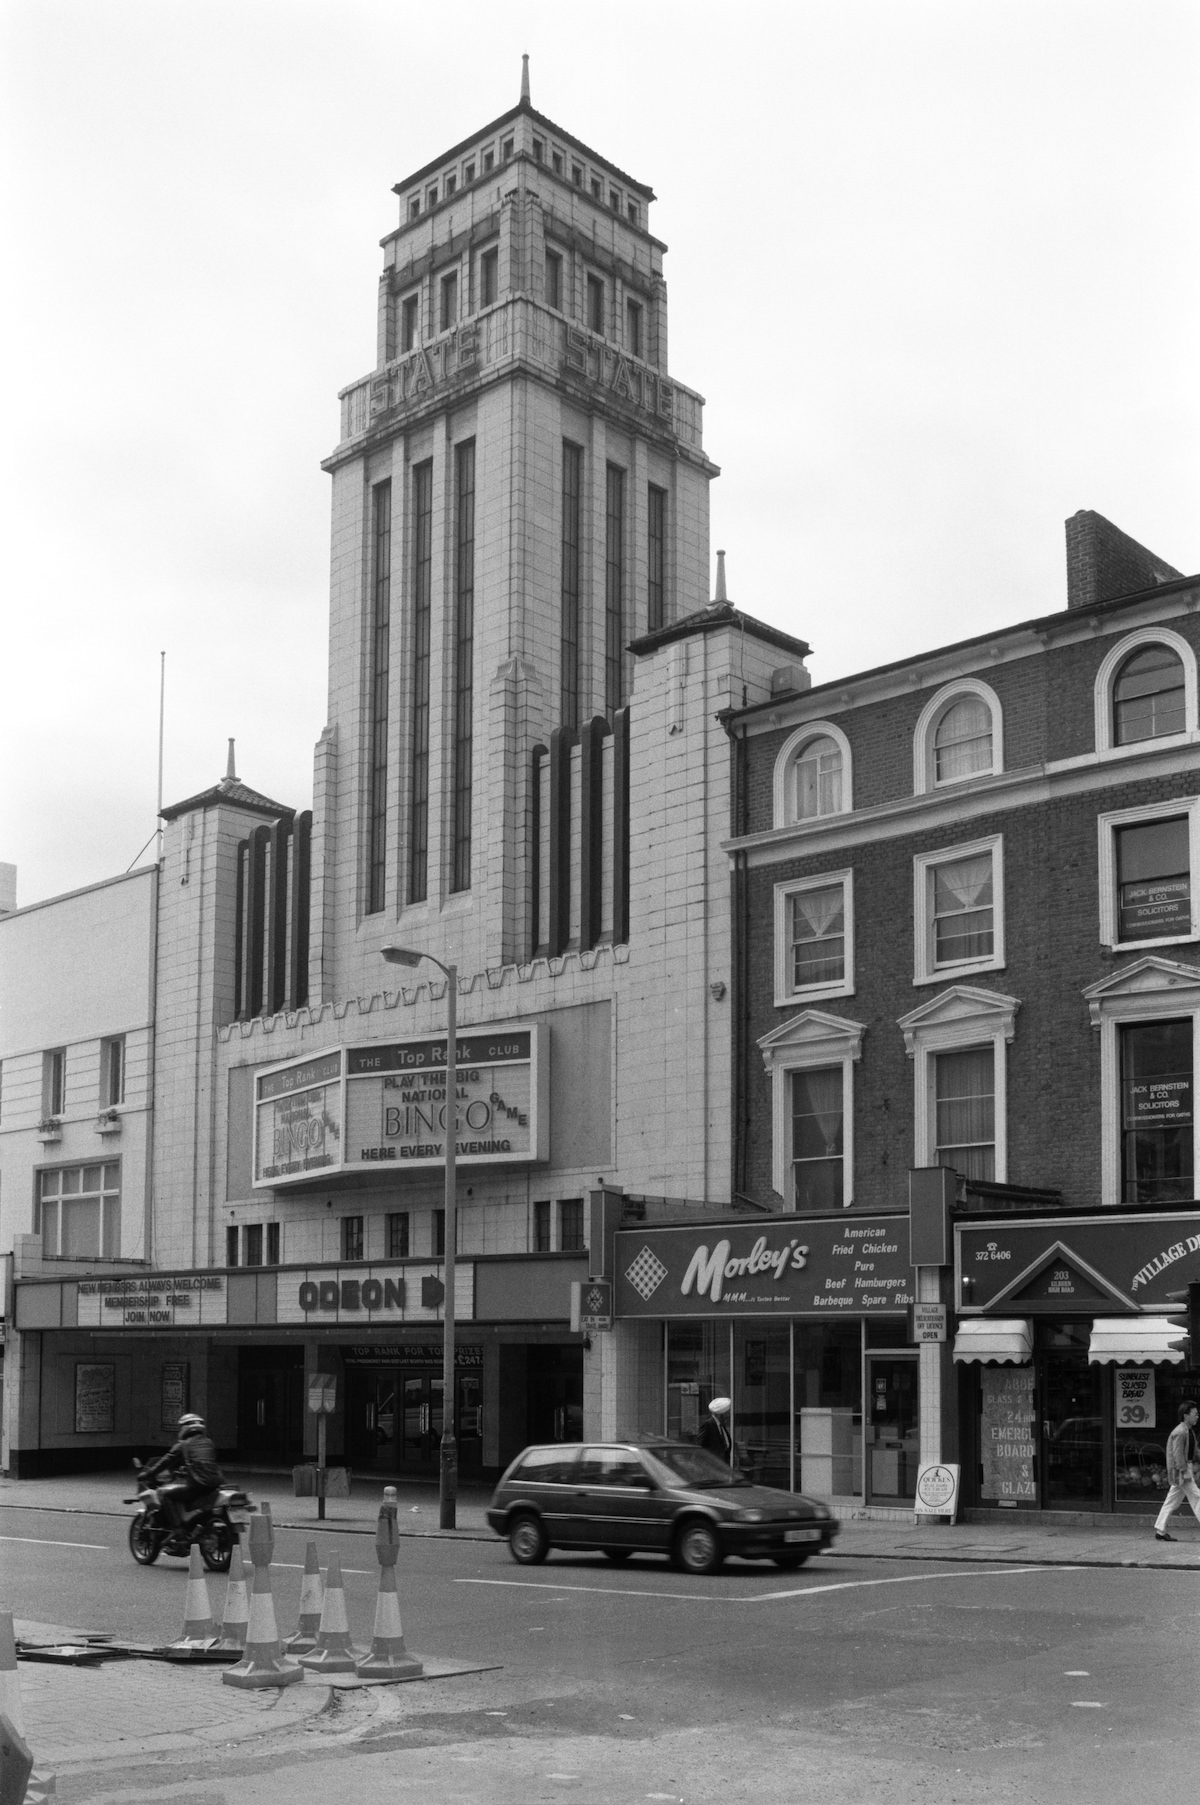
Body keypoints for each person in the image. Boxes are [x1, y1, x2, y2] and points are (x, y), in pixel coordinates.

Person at [148, 1413, 224, 1532]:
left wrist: (149, 1473)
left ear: (184, 1428)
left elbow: (166, 1460)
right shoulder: (209, 1443)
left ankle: (177, 1530)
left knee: (167, 1496)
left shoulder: (183, 1444)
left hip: (198, 1485)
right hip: (214, 1484)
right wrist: (185, 1469)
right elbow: (204, 1462)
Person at [1153, 1399, 1200, 1542]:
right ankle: (1160, 1530)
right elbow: (1178, 1455)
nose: (1197, 1416)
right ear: (1186, 1416)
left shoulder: (1188, 1431)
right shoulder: (1180, 1432)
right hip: (1183, 1471)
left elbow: (1194, 1451)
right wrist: (1184, 1471)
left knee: (1171, 1501)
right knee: (1197, 1497)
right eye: (1195, 1414)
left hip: (1185, 1470)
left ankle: (1160, 1530)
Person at [697, 1396, 734, 1465]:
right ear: (720, 1414)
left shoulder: (722, 1426)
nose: (728, 1416)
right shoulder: (708, 1425)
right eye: (727, 1413)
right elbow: (700, 1446)